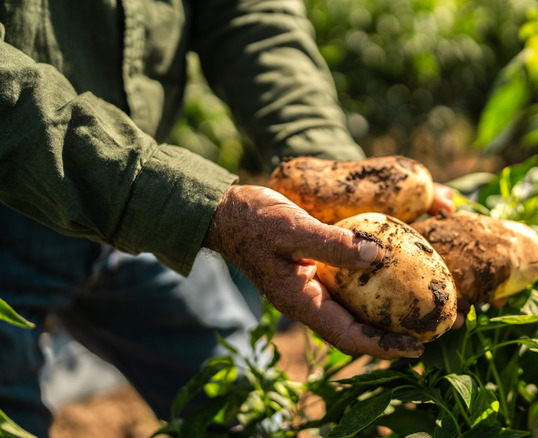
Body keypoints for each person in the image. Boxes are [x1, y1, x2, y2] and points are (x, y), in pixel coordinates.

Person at [0, 1, 454, 435]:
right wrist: (205, 210)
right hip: (98, 198)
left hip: (151, 209)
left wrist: (327, 174)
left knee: (248, 407)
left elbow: (246, 11)